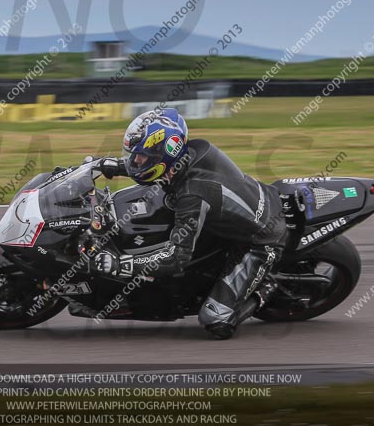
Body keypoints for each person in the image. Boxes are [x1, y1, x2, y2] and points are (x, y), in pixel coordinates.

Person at [94, 108, 292, 339]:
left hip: (262, 241)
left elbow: (176, 258)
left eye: (141, 157)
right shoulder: (194, 150)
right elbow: (154, 168)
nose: (135, 161)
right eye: (134, 156)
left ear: (163, 157)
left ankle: (265, 288)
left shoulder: (192, 196)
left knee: (215, 319)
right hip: (244, 210)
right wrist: (113, 165)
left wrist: (121, 264)